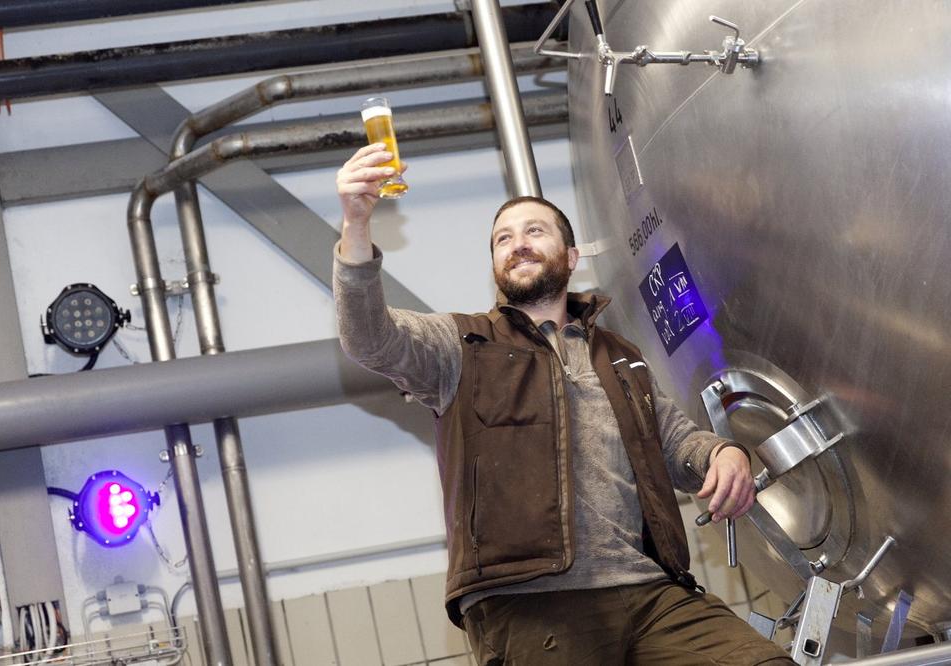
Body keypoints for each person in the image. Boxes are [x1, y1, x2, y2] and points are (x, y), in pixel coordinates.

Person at [333, 143, 793, 665]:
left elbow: (675, 441)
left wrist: (721, 453)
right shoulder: (462, 345)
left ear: (571, 258)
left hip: (650, 589)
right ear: (495, 265)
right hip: (531, 599)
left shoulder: (619, 356)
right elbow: (369, 337)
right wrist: (356, 225)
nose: (517, 245)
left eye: (534, 231)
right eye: (503, 239)